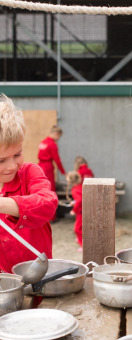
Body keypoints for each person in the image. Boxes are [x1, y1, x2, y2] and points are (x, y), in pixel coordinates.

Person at [0, 94, 58, 275]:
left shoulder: (29, 173)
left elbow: (47, 203)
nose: (11, 166)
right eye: (1, 160)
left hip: (37, 279)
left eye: (17, 154)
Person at [38, 125, 66, 192]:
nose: (58, 139)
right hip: (48, 167)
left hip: (40, 165)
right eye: (59, 137)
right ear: (56, 134)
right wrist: (63, 172)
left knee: (41, 184)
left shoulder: (43, 142)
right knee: (49, 185)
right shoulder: (52, 144)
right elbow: (57, 159)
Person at [66, 170, 83, 252]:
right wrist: (74, 202)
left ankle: (82, 244)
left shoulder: (75, 190)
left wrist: (74, 210)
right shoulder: (80, 186)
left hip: (81, 211)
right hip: (83, 210)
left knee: (77, 229)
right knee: (81, 227)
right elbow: (80, 199)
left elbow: (79, 200)